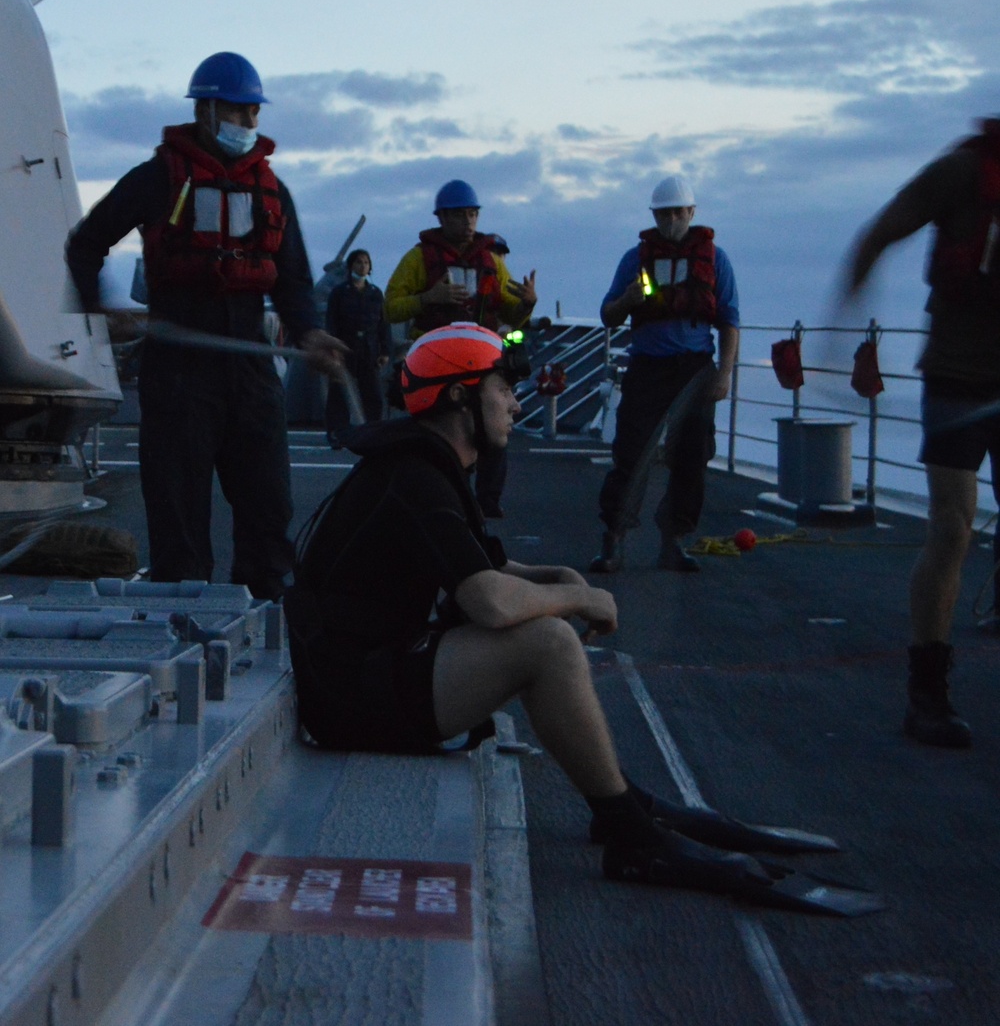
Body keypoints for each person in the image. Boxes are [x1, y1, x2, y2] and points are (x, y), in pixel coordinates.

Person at [285, 322, 779, 890]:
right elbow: (491, 602)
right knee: (545, 644)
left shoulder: (422, 466)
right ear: (460, 397)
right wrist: (578, 596)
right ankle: (630, 832)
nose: (517, 404)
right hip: (353, 697)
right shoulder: (416, 476)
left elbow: (486, 569)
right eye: (503, 389)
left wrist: (560, 577)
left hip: (363, 673)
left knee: (543, 628)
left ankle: (622, 801)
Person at [65, 52, 344, 600]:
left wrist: (309, 333)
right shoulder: (157, 179)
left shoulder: (272, 190)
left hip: (251, 365)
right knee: (179, 514)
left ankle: (266, 618)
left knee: (269, 505)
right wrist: (106, 305)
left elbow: (292, 280)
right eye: (242, 112)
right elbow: (87, 242)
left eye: (255, 114)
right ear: (209, 108)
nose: (251, 124)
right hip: (178, 370)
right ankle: (183, 629)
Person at [845, 116, 1000, 748]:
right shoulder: (963, 171)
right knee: (951, 525)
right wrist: (845, 306)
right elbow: (882, 230)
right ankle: (927, 694)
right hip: (959, 377)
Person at [589, 175, 740, 574]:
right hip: (648, 366)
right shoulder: (634, 260)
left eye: (678, 212)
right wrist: (627, 300)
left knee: (692, 456)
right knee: (632, 452)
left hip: (694, 368)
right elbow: (607, 315)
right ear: (653, 215)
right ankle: (614, 540)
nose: (671, 219)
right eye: (664, 213)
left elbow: (729, 321)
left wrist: (724, 373)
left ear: (692, 213)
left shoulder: (716, 260)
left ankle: (673, 542)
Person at [384, 181, 537, 516]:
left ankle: (487, 504)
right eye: (459, 215)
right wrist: (428, 298)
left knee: (491, 427)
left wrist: (527, 304)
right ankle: (442, 497)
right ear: (441, 218)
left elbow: (513, 314)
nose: (468, 221)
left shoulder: (493, 262)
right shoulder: (417, 258)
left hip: (484, 363)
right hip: (436, 364)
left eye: (473, 214)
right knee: (437, 431)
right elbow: (390, 307)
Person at [324, 248, 391, 448]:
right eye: (359, 262)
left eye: (366, 263)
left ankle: (372, 431)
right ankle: (338, 432)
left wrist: (385, 350)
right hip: (344, 347)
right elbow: (331, 321)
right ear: (351, 265)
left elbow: (383, 324)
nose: (362, 266)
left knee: (373, 394)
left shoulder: (375, 293)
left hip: (368, 349)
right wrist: (332, 346)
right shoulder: (339, 292)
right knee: (339, 392)